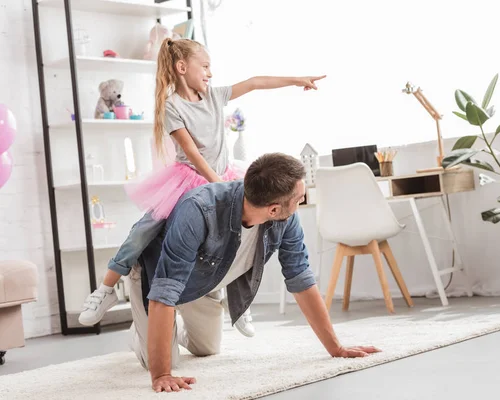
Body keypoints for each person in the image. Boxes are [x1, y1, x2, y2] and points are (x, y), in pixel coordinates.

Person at [77, 37, 326, 337]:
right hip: (190, 179)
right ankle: (106, 288)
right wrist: (218, 185)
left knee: (240, 235)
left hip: (223, 174)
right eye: (205, 66)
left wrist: (296, 80)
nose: (210, 73)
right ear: (182, 67)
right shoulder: (171, 106)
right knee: (145, 229)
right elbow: (193, 153)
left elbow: (255, 82)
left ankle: (239, 303)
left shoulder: (214, 96)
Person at [126, 152, 381, 393]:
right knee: (160, 363)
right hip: (154, 280)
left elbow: (301, 279)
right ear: (273, 209)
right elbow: (164, 290)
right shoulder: (199, 209)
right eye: (299, 198)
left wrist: (336, 348)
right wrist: (161, 375)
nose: (302, 202)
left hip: (205, 283)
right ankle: (143, 332)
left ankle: (168, 327)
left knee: (207, 348)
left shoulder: (286, 219)